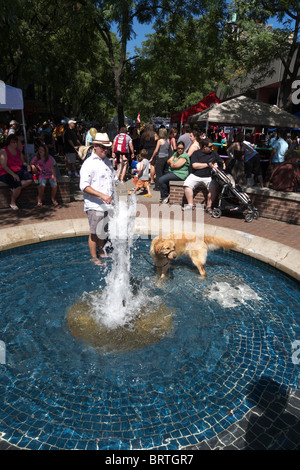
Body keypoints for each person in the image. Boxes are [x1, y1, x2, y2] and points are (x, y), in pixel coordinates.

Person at [79, 132, 114, 264]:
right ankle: (94, 257)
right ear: (95, 146)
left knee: (102, 231)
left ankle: (101, 252)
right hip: (94, 205)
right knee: (94, 233)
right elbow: (84, 186)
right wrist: (102, 195)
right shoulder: (88, 164)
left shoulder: (107, 162)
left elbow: (112, 181)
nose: (105, 150)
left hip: (106, 204)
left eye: (107, 148)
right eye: (103, 147)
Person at [183, 138, 224, 212]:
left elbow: (221, 162)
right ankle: (190, 204)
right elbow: (195, 165)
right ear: (204, 146)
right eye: (210, 147)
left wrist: (222, 166)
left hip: (209, 176)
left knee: (214, 188)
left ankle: (209, 207)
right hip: (195, 175)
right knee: (187, 184)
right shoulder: (196, 153)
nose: (212, 148)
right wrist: (208, 164)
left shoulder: (214, 153)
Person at [0, 134, 33, 210]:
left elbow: (22, 162)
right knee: (17, 184)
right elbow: (4, 166)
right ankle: (12, 202)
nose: (15, 144)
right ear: (9, 142)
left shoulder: (18, 151)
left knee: (30, 179)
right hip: (5, 172)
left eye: (16, 142)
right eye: (13, 142)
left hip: (18, 170)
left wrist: (27, 165)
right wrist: (13, 174)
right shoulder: (3, 151)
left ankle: (14, 189)